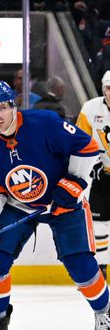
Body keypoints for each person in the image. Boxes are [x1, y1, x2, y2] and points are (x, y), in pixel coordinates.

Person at [0, 81, 108, 330]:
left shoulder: (43, 122)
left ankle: (104, 313)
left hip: (62, 202)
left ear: (13, 106)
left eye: (3, 108)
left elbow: (87, 146)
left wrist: (75, 183)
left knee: (79, 264)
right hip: (19, 204)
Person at [75, 70, 110, 279]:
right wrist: (94, 162)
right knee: (99, 223)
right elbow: (80, 139)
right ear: (103, 88)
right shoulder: (90, 109)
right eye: (108, 88)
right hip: (102, 176)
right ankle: (102, 267)